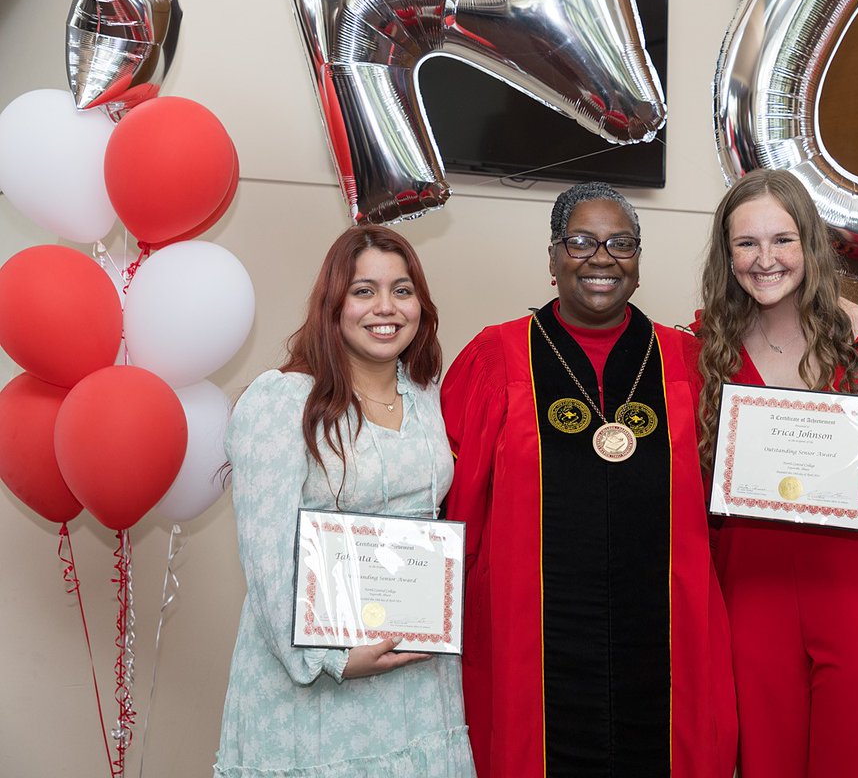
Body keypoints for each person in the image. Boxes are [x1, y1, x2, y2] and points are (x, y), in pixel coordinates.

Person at [440, 182, 737, 778]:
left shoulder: (687, 361)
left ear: (637, 260)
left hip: (664, 640)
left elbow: (727, 494)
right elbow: (454, 503)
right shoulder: (497, 357)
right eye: (581, 242)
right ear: (552, 258)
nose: (602, 258)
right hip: (534, 644)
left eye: (620, 243)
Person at [693, 169, 858, 778]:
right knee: (764, 761)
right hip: (751, 591)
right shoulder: (704, 345)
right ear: (728, 256)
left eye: (782, 240)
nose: (765, 259)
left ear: (809, 242)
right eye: (746, 244)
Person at [215, 225, 475, 778]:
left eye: (402, 290)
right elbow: (267, 557)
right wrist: (330, 660)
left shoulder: (428, 396)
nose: (386, 307)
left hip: (415, 673)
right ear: (333, 303)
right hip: (314, 682)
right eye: (364, 290)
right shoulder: (282, 401)